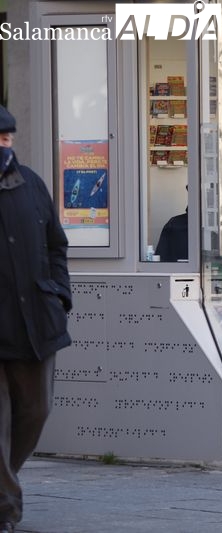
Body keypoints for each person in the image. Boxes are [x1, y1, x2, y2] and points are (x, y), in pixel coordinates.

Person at [0, 105, 72, 533]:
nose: (4, 146)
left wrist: (59, 294)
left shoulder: (32, 185)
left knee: (36, 412)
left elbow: (56, 246)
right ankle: (6, 509)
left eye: (7, 139)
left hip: (35, 325)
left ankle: (3, 483)